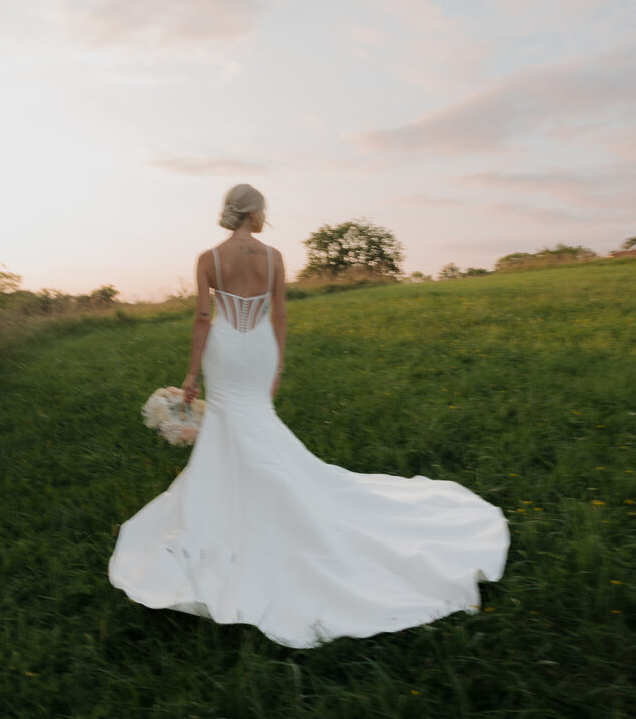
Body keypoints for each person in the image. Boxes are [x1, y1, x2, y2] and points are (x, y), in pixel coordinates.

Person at [108, 183, 510, 649]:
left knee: (229, 423)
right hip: (257, 348)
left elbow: (203, 316)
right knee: (255, 420)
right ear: (254, 213)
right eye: (263, 211)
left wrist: (191, 374)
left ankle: (239, 504)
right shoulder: (275, 257)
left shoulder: (208, 259)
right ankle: (269, 494)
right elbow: (279, 315)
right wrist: (277, 364)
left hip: (223, 349)